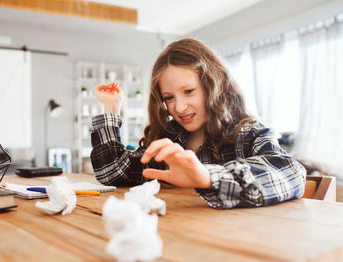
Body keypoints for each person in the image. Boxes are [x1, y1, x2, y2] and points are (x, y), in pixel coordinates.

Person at [90, 38, 306, 209]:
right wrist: (111, 107)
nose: (180, 108)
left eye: (189, 91)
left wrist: (207, 177)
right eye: (169, 98)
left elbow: (292, 173)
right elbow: (112, 172)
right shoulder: (168, 139)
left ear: (217, 82)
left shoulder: (247, 133)